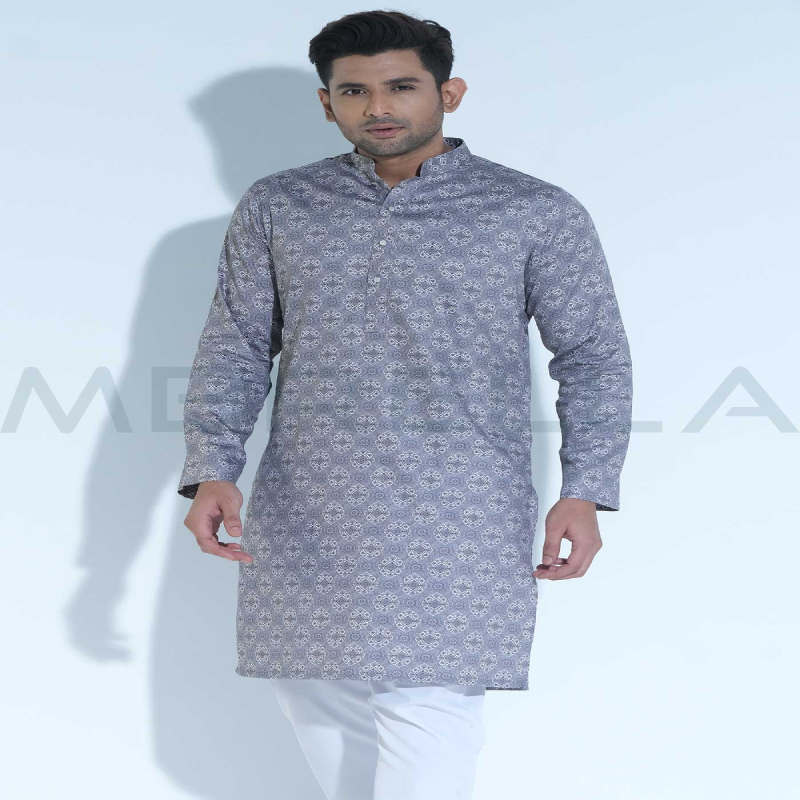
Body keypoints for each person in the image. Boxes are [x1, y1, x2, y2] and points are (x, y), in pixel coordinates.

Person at [178, 9, 633, 800]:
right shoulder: (281, 205)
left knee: (429, 706)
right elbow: (237, 343)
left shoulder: (532, 211)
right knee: (315, 697)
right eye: (354, 90)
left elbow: (592, 356)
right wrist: (212, 467)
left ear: (449, 93)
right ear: (327, 103)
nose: (378, 106)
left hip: (459, 508)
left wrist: (585, 488)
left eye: (401, 86)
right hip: (310, 503)